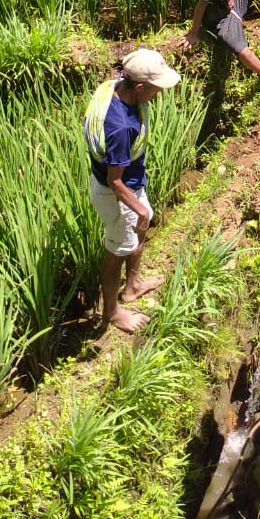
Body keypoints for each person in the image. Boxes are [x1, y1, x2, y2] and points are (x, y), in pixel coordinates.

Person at [85, 48, 182, 334]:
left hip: (130, 184)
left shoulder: (115, 86)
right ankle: (112, 312)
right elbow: (115, 182)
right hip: (114, 192)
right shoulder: (121, 128)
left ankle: (133, 286)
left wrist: (142, 211)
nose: (159, 93)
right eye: (156, 88)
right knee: (117, 250)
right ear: (139, 87)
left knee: (141, 225)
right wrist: (138, 209)